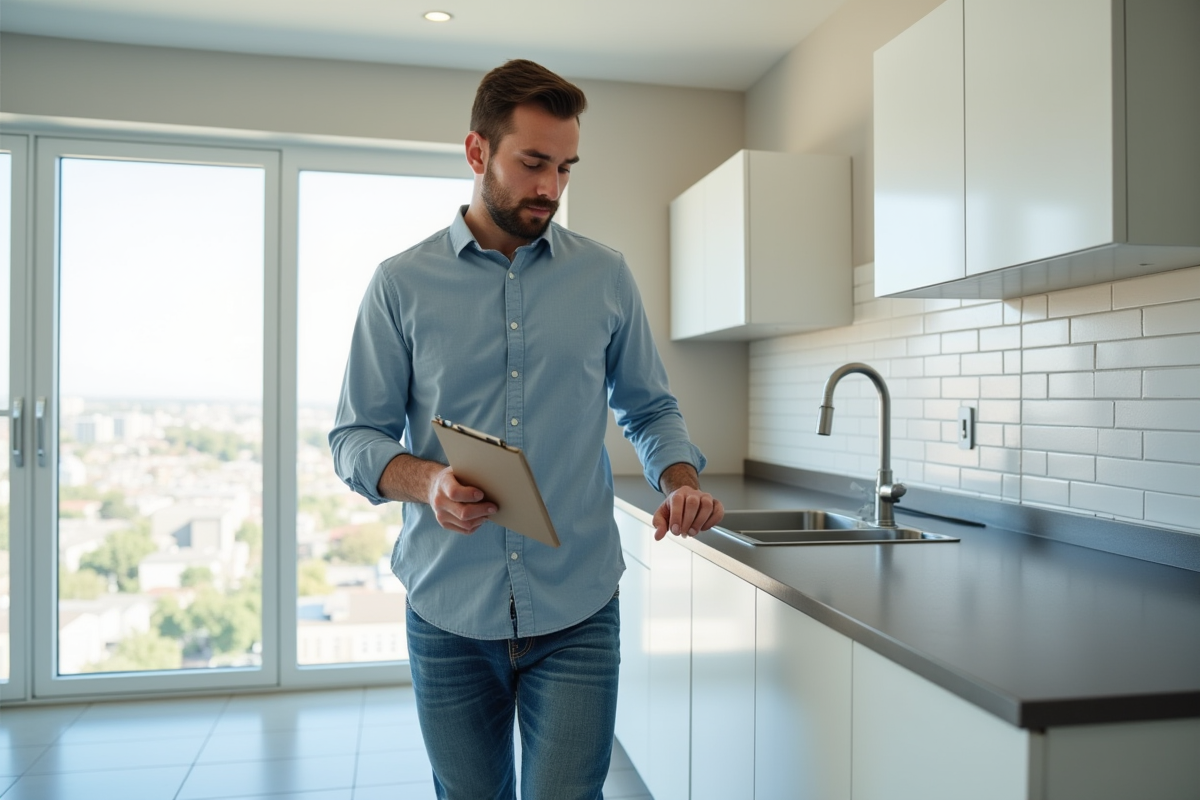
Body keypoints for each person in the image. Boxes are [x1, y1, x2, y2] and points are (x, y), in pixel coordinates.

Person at [329, 58, 724, 800]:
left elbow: (650, 407)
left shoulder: (605, 277)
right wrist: (430, 480)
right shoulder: (400, 283)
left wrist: (682, 479)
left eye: (565, 168)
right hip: (447, 610)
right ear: (478, 152)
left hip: (577, 608)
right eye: (533, 162)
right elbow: (355, 438)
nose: (550, 187)